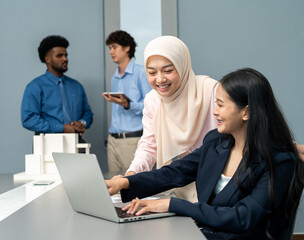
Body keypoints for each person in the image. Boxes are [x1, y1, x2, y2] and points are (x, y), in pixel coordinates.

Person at [106, 68, 304, 239]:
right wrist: (124, 182)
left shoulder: (279, 161)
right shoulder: (215, 142)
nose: (214, 112)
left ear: (246, 112)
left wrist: (173, 205)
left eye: (220, 104)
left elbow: (242, 218)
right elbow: (174, 172)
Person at [124, 36, 218, 202]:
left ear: (182, 66)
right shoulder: (153, 100)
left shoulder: (211, 90)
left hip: (217, 185)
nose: (160, 79)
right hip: (182, 187)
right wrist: (131, 176)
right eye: (152, 72)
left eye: (168, 71)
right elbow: (149, 145)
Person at [21, 35, 93, 140]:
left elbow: (87, 113)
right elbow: (28, 119)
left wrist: (82, 123)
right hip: (48, 144)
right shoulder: (35, 87)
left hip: (76, 142)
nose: (65, 59)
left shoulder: (77, 86)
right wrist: (61, 128)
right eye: (59, 56)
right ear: (47, 59)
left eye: (66, 55)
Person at [102, 30, 152, 172]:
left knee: (134, 186)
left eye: (114, 47)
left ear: (127, 48)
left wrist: (128, 104)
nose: (111, 51)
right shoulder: (114, 78)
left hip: (132, 140)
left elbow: (151, 107)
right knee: (115, 185)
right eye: (110, 48)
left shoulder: (141, 73)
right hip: (112, 140)